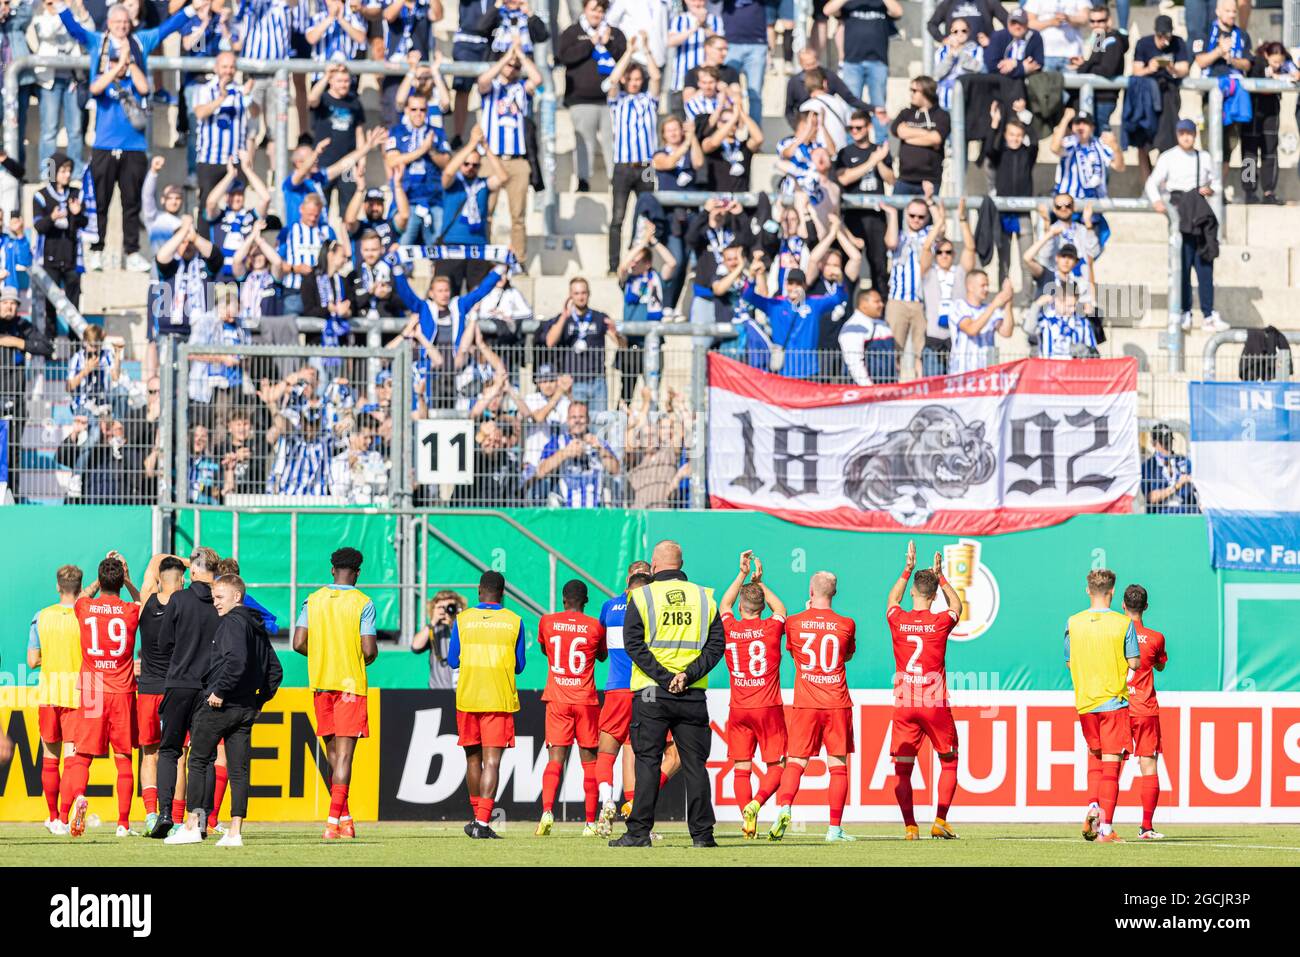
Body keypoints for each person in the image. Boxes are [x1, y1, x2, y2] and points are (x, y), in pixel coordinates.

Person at [61, 0, 197, 273]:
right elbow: (75, 31)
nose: (121, 27)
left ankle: (132, 250)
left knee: (131, 202)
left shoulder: (139, 41)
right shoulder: (97, 41)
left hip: (134, 142)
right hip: (104, 141)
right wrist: (61, 7)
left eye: (125, 22)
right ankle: (96, 249)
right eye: (116, 23)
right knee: (100, 201)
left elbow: (167, 29)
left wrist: (192, 9)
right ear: (108, 25)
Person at [610, 539, 724, 848]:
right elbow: (716, 647)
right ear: (681, 566)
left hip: (651, 694)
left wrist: (664, 677)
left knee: (647, 762)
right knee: (695, 766)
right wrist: (687, 676)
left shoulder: (642, 596)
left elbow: (634, 644)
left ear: (654, 567)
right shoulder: (705, 597)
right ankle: (703, 836)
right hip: (692, 695)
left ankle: (638, 834)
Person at [165, 573, 282, 847]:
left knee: (198, 760)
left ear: (236, 596)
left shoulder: (232, 622)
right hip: (244, 710)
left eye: (219, 597)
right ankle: (235, 832)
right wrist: (258, 702)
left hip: (221, 705)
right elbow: (276, 671)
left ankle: (194, 825)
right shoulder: (256, 625)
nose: (215, 603)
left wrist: (220, 691)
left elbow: (236, 662)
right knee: (239, 771)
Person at [290, 546, 377, 839]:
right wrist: (351, 659)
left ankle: (346, 819)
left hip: (321, 683)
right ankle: (331, 823)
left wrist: (322, 656)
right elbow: (369, 649)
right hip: (350, 685)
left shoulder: (312, 600)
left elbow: (298, 642)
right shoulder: (363, 602)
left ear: (332, 570)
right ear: (358, 573)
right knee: (344, 758)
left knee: (333, 755)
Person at [886, 540, 964, 840]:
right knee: (949, 760)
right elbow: (957, 606)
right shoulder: (940, 621)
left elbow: (892, 600)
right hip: (933, 700)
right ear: (933, 597)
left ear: (915, 594)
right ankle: (940, 820)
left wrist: (906, 570)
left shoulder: (898, 619)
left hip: (905, 699)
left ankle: (910, 827)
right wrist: (941, 575)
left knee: (903, 768)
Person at [61, 555, 142, 838]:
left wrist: (100, 578)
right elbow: (143, 600)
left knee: (81, 756)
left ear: (100, 581)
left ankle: (80, 796)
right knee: (123, 758)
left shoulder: (86, 607)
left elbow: (81, 594)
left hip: (93, 687)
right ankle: (123, 824)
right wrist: (127, 578)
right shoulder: (131, 611)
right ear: (120, 581)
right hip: (121, 691)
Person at [147, 545, 222, 839]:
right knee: (204, 757)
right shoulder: (220, 603)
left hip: (178, 684)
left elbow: (163, 643)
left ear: (193, 570)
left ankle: (165, 813)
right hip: (208, 689)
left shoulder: (178, 600)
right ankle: (202, 820)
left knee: (169, 750)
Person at [448, 569, 526, 839]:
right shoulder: (514, 621)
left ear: (479, 591)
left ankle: (477, 819)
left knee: (473, 760)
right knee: (492, 761)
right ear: (502, 594)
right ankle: (482, 822)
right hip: (498, 698)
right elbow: (520, 666)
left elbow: (453, 660)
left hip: (469, 697)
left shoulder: (463, 619)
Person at [1066, 568, 1139, 843]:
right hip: (1113, 702)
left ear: (1088, 591)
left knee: (1095, 758)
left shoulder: (1073, 622)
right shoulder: (1123, 624)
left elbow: (1069, 661)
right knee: (1111, 766)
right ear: (1112, 592)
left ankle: (1093, 806)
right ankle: (1106, 829)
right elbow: (1134, 662)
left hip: (1085, 703)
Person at [718, 550, 787, 839]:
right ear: (760, 607)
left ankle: (747, 822)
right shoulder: (771, 628)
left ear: (742, 607)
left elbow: (725, 603)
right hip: (768, 707)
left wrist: (742, 574)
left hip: (739, 708)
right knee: (778, 766)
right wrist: (762, 583)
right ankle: (756, 804)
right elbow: (781, 609)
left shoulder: (730, 627)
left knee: (741, 768)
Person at [535, 579, 607, 836]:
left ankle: (546, 811)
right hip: (586, 701)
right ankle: (589, 823)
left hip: (557, 699)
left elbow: (546, 650)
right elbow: (602, 656)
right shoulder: (596, 626)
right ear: (585, 601)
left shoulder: (547, 621)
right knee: (589, 762)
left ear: (563, 600)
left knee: (555, 759)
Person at [1145, 118, 1226, 334]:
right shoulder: (1168, 157)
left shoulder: (1204, 157)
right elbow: (1152, 183)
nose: (1186, 137)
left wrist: (1209, 190)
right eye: (1182, 133)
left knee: (1205, 267)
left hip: (1199, 216)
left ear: (1194, 135)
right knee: (1182, 266)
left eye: (1189, 133)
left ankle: (1208, 314)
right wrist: (1157, 202)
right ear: (1177, 134)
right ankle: (1184, 311)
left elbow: (1216, 183)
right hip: (1180, 215)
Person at [26, 564, 85, 835]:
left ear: (58, 587)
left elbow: (32, 660)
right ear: (80, 587)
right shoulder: (85, 616)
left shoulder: (41, 616)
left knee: (50, 757)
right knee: (72, 757)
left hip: (50, 692)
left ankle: (52, 817)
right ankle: (64, 816)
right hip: (79, 692)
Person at [135, 553, 186, 834]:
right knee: (177, 756)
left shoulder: (146, 602)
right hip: (175, 690)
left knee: (150, 754)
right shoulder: (186, 605)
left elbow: (155, 559)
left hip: (147, 690)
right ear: (180, 580)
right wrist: (193, 564)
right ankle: (177, 820)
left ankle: (151, 815)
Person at [558, 0, 627, 192]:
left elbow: (624, 57)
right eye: (593, 9)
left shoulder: (615, 33)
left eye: (601, 10)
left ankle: (617, 182)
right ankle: (583, 182)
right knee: (584, 143)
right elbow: (564, 57)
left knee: (612, 143)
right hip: (580, 100)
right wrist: (590, 43)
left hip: (611, 101)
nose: (597, 14)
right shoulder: (572, 32)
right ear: (585, 9)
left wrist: (608, 44)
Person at [606, 36, 661, 275]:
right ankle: (614, 263)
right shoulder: (618, 102)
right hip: (623, 164)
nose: (635, 83)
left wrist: (647, 51)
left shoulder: (649, 101)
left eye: (639, 79)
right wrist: (628, 52)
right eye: (632, 79)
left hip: (646, 164)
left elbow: (657, 78)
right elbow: (613, 80)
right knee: (618, 217)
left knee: (645, 214)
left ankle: (638, 260)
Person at [741, 266, 846, 381]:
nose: (794, 287)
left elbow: (839, 298)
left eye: (798, 284)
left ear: (805, 286)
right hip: (783, 370)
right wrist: (751, 277)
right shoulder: (775, 304)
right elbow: (748, 295)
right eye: (791, 283)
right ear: (786, 285)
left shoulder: (814, 303)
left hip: (809, 371)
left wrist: (840, 280)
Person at [1122, 583, 1167, 841]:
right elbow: (1159, 667)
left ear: (1123, 606)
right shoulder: (1156, 637)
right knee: (1148, 765)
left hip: (1117, 706)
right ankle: (1146, 827)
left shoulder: (1115, 634)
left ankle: (1104, 824)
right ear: (1146, 607)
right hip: (1145, 709)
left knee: (1110, 763)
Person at [828, 0, 903, 142]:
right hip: (852, 62)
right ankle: (851, 147)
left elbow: (898, 11)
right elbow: (828, 10)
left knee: (879, 106)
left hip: (878, 62)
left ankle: (881, 145)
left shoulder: (881, 3)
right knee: (851, 106)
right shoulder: (849, 4)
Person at [882, 194, 936, 379]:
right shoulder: (899, 235)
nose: (916, 220)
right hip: (898, 300)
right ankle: (894, 388)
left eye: (921, 216)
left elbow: (941, 226)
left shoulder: (929, 235)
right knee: (895, 349)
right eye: (912, 215)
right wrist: (892, 214)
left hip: (922, 303)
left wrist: (930, 201)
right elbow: (890, 243)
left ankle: (918, 387)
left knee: (920, 351)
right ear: (906, 214)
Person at [890, 76, 948, 196]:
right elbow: (897, 131)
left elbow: (937, 138)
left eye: (915, 91)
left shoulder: (941, 115)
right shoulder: (906, 113)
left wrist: (908, 136)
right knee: (895, 213)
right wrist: (927, 134)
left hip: (930, 180)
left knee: (927, 213)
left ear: (926, 91)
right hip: (904, 179)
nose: (911, 94)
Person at [949, 271, 1016, 375]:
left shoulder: (989, 309)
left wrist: (1008, 301)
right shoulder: (958, 306)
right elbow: (971, 329)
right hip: (963, 374)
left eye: (987, 285)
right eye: (983, 285)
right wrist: (994, 305)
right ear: (970, 286)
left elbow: (1006, 332)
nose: (986, 289)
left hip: (986, 375)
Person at [1141, 422, 1198, 514]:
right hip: (1162, 518)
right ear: (1153, 443)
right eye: (1163, 443)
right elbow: (1151, 497)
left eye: (1169, 442)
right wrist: (1176, 486)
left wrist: (1193, 481)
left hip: (1186, 515)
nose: (1167, 446)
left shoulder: (1184, 461)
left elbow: (1198, 483)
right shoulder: (1148, 467)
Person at [412, 591, 465, 689]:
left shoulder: (464, 628)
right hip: (437, 690)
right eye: (441, 607)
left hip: (461, 691)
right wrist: (433, 621)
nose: (446, 610)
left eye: (450, 606)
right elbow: (415, 647)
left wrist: (454, 623)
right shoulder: (433, 630)